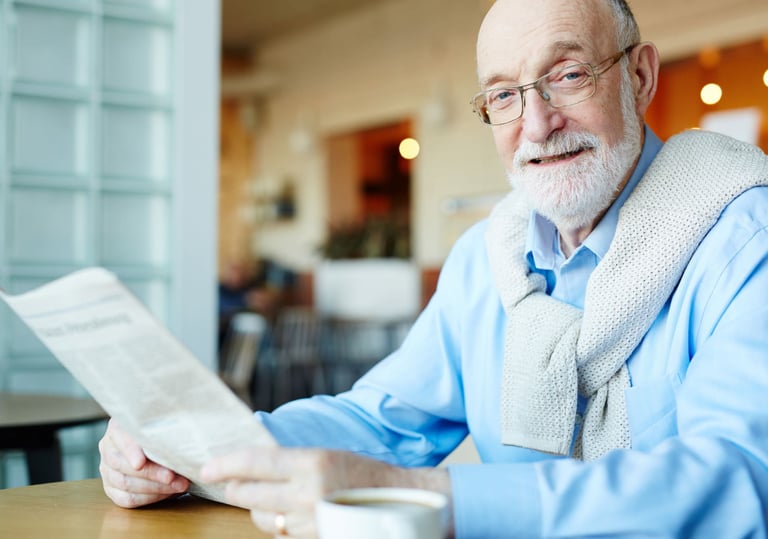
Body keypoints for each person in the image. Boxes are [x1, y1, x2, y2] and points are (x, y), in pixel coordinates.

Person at [98, 0, 768, 537]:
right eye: (503, 96)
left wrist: (431, 498)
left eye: (567, 75)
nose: (537, 124)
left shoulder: (743, 237)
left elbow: (741, 480)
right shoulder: (488, 258)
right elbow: (384, 421)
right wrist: (196, 445)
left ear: (640, 77)